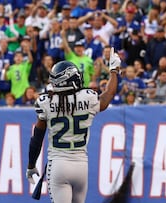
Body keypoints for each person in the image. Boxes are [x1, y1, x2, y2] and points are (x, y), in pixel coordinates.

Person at [26, 47, 121, 203]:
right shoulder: (88, 97)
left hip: (58, 165)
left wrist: (31, 164)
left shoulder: (46, 102)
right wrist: (114, 71)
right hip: (81, 166)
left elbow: (37, 137)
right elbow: (108, 95)